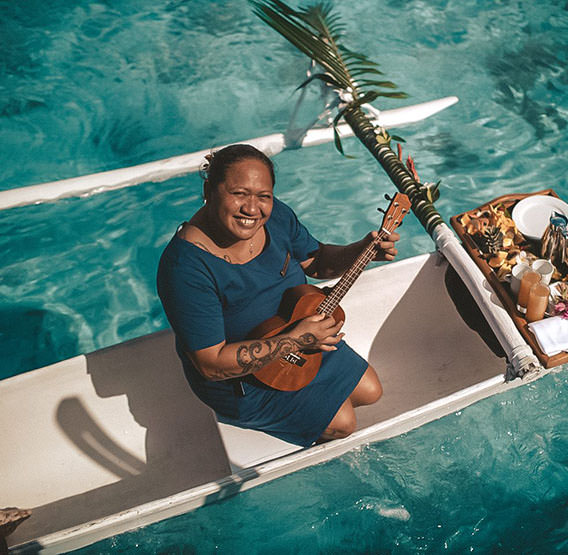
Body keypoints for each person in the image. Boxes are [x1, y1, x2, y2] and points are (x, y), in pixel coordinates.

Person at [156, 144, 399, 447]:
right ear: (210, 189)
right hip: (244, 382)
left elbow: (318, 261)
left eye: (263, 196)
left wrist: (361, 250)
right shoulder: (185, 268)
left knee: (371, 390)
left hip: (302, 338)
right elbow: (211, 365)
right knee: (343, 424)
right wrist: (295, 340)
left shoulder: (276, 217)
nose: (252, 209)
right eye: (239, 193)